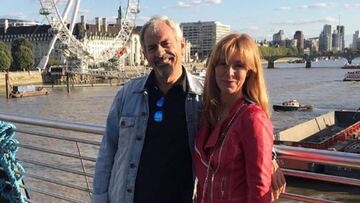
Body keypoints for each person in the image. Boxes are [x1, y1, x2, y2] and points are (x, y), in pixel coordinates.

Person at [92, 16, 285, 203]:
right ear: (145, 54)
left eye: (166, 44)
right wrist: (99, 198)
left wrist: (270, 156)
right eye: (152, 48)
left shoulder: (204, 96)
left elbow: (248, 125)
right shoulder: (127, 94)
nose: (160, 53)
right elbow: (107, 151)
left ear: (182, 46)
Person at [194, 33, 278, 203]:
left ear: (250, 71)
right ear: (213, 68)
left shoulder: (253, 118)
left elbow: (259, 190)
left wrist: (272, 159)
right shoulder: (208, 111)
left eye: (238, 65)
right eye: (222, 64)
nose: (229, 72)